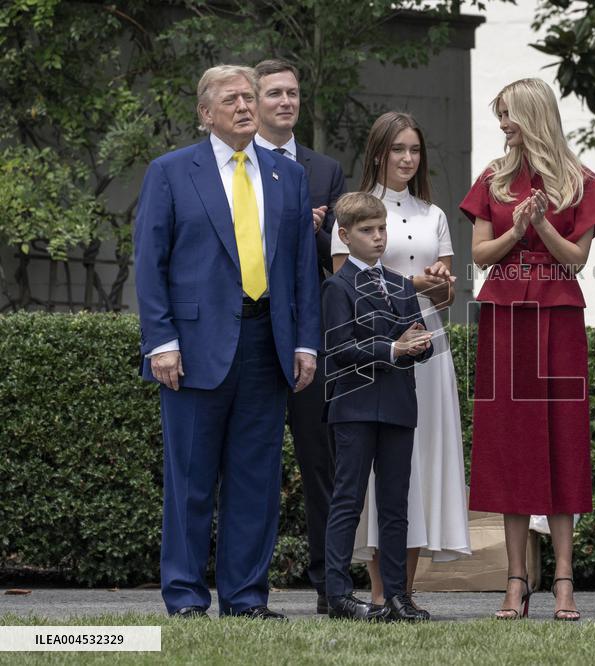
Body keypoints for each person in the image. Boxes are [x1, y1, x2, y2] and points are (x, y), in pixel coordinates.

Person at [133, 64, 319, 619]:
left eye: (248, 97)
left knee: (256, 480)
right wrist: (161, 340)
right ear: (205, 112)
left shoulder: (287, 175)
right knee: (189, 479)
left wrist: (305, 343)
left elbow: (302, 269)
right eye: (232, 99)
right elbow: (150, 262)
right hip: (192, 349)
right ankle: (186, 599)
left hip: (268, 344)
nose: (244, 106)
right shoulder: (170, 171)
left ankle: (245, 600)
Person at [459, 78, 595, 621]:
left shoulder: (580, 181)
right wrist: (515, 230)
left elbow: (574, 260)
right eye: (500, 115)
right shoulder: (493, 178)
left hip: (558, 315)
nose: (503, 124)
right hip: (504, 316)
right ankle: (515, 580)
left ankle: (564, 580)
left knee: (562, 439)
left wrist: (542, 224)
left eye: (510, 114)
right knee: (509, 442)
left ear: (533, 115)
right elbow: (481, 255)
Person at [331, 112, 471, 607]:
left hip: (428, 350)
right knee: (373, 474)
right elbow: (347, 287)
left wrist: (442, 283)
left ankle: (404, 592)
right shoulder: (352, 212)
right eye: (398, 150)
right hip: (370, 352)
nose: (408, 159)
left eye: (415, 149)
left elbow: (447, 296)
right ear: (378, 152)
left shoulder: (434, 214)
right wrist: (416, 284)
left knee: (417, 467)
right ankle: (375, 592)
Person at [253, 58, 346, 616]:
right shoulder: (235, 168)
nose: (286, 102)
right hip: (253, 336)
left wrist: (311, 230)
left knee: (321, 466)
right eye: (274, 94)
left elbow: (330, 259)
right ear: (254, 102)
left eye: (292, 92)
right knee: (254, 463)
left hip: (311, 335)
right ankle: (248, 588)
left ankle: (329, 586)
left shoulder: (325, 169)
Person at [322, 192, 434, 623]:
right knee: (347, 500)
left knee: (394, 504)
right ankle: (337, 593)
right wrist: (392, 347)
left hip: (399, 407)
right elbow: (339, 348)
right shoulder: (337, 286)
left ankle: (396, 595)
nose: (379, 237)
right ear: (345, 235)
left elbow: (417, 342)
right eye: (368, 230)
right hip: (353, 406)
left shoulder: (403, 285)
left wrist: (419, 346)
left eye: (382, 228)